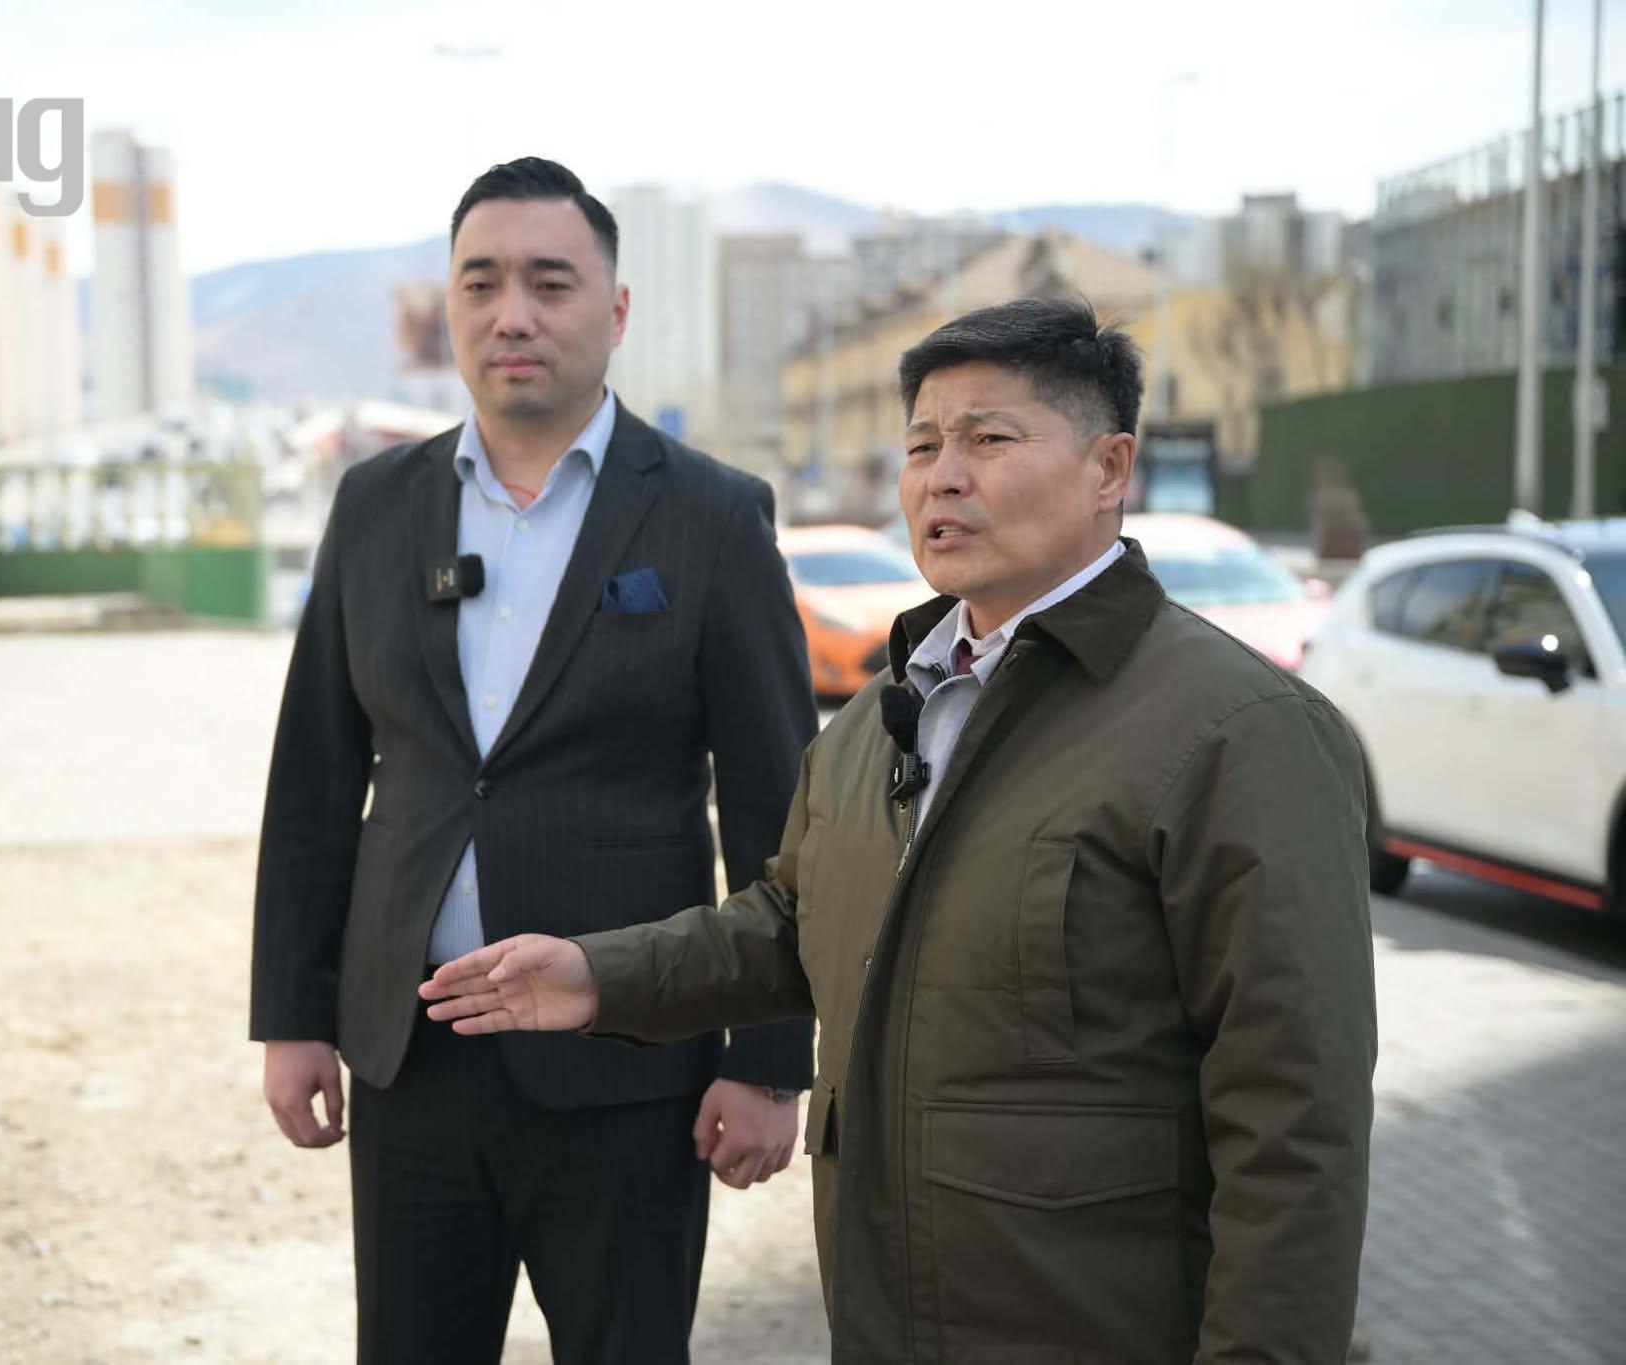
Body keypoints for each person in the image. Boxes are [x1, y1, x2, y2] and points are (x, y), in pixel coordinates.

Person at [423, 297, 1377, 1363]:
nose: (941, 478)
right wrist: (597, 976)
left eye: (988, 439)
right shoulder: (880, 719)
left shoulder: (1237, 731)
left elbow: (1294, 1124)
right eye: (921, 446)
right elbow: (792, 926)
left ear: (1109, 468)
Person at [249, 157, 817, 1365]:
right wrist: (290, 1016)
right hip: (411, 1056)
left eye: (550, 284)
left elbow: (776, 806)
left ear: (614, 310)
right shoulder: (374, 505)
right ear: (448, 308)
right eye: (481, 283)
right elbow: (313, 781)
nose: (512, 313)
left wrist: (769, 1061)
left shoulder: (711, 515)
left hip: (628, 1061)